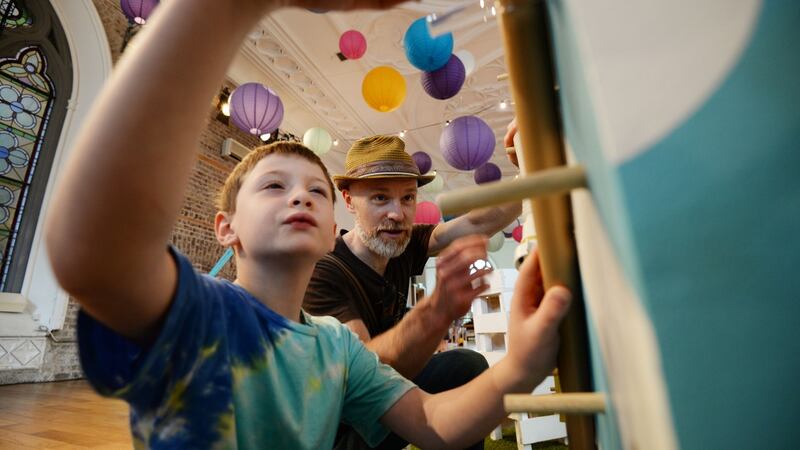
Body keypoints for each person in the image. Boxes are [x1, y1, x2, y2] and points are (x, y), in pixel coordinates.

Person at [45, 0, 572, 448]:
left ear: (329, 230)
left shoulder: (333, 347)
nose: (300, 194)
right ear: (227, 228)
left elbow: (432, 421)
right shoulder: (198, 313)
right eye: (274, 185)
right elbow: (95, 254)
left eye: (315, 191)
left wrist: (519, 367)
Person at [304, 136, 523, 448]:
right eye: (380, 198)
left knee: (465, 366)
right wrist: (437, 310)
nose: (397, 214)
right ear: (349, 201)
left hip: (382, 400)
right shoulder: (324, 272)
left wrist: (528, 174)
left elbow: (476, 222)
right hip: (339, 428)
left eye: (407, 198)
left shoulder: (401, 245)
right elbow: (364, 374)